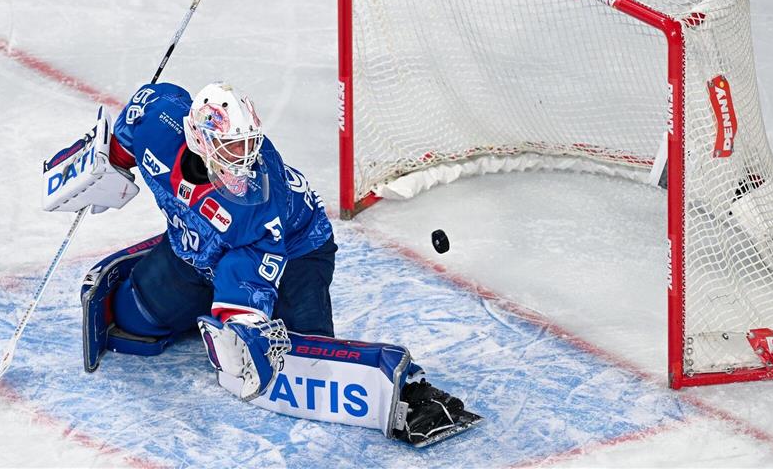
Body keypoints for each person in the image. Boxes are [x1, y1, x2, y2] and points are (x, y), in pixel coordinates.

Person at [43, 81, 480, 446]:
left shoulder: (257, 199)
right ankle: (191, 304)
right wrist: (104, 165)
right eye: (232, 148)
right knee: (130, 323)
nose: (244, 159)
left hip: (294, 250)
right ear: (199, 139)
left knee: (302, 357)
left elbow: (249, 267)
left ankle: (406, 394)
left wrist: (242, 321)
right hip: (192, 248)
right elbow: (131, 126)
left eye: (247, 145)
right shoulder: (158, 120)